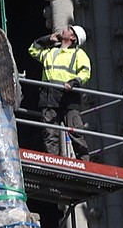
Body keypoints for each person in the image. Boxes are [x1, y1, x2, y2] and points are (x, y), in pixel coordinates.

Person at [28, 25, 91, 160]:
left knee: (75, 131)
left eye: (69, 29)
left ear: (73, 37)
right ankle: (54, 161)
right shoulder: (50, 52)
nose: (65, 29)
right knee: (50, 133)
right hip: (49, 95)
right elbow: (33, 50)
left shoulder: (78, 54)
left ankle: (85, 162)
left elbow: (85, 72)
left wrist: (74, 82)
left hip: (68, 96)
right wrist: (48, 40)